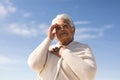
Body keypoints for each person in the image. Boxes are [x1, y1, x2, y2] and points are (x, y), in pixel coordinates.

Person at [27, 13, 97, 80]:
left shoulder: (84, 48)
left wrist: (64, 52)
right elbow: (33, 64)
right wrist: (49, 38)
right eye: (58, 28)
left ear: (73, 30)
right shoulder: (48, 49)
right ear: (54, 32)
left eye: (65, 26)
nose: (62, 29)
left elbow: (89, 75)